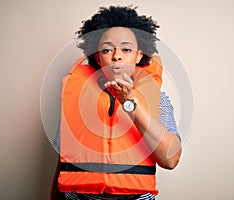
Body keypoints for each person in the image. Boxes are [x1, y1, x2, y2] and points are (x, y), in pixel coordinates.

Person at [51, 5, 182, 200]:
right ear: (98, 57)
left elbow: (170, 159)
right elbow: (63, 161)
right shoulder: (76, 96)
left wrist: (129, 102)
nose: (116, 56)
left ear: (139, 55)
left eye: (126, 49)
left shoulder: (158, 99)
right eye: (107, 49)